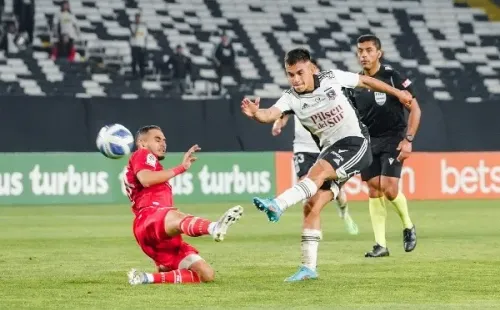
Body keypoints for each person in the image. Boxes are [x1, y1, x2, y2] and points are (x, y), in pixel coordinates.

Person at [240, 48, 412, 280]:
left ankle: (278, 204)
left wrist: (397, 93)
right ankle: (309, 268)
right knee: (311, 204)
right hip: (331, 150)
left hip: (356, 144)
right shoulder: (290, 97)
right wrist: (255, 113)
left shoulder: (331, 78)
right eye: (291, 74)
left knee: (318, 172)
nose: (296, 79)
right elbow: (270, 114)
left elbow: (365, 80)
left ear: (311, 68)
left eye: (300, 72)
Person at [125, 125, 243, 285]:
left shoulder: (153, 166)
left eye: (164, 140)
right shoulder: (142, 154)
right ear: (142, 143)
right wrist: (181, 168)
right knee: (176, 216)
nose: (163, 144)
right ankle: (213, 227)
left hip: (156, 233)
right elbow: (146, 179)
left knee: (206, 274)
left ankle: (146, 278)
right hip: (149, 217)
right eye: (157, 139)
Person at [347, 34, 421, 257]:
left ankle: (408, 226)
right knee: (373, 189)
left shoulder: (392, 77)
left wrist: (408, 140)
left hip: (393, 138)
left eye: (369, 50)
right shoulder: (354, 83)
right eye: (360, 51)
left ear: (379, 53)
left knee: (388, 187)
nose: (364, 55)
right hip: (368, 141)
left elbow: (415, 109)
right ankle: (381, 245)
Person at [271, 58, 359, 237]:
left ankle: (344, 213)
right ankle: (314, 226)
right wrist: (278, 123)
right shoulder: (295, 94)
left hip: (327, 146)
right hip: (303, 147)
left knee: (337, 192)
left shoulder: (328, 89)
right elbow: (284, 112)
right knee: (308, 187)